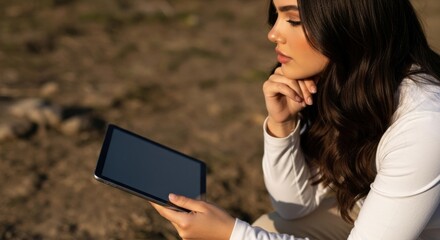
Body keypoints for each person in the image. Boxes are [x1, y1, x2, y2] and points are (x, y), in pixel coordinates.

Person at [151, 0, 440, 239]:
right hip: (373, 214)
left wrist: (232, 234)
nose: (273, 33)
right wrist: (283, 126)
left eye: (293, 20)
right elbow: (295, 208)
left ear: (348, 26)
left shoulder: (424, 123)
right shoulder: (345, 82)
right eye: (275, 16)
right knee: (271, 226)